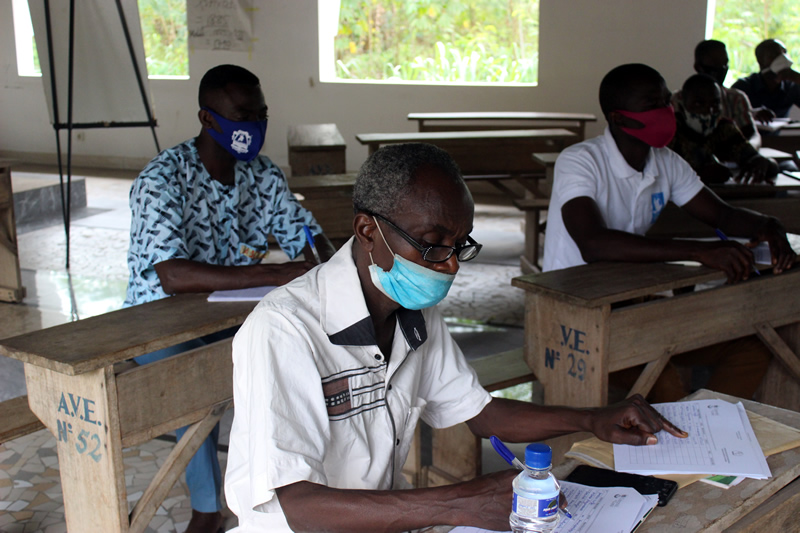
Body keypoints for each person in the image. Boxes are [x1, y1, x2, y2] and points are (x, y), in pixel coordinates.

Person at [224, 142, 687, 533]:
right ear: (369, 231)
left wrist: (592, 419)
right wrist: (456, 502)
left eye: (459, 243)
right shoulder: (285, 330)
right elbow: (292, 505)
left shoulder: (414, 310)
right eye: (432, 242)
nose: (449, 264)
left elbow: (479, 413)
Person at [124, 64, 334, 533]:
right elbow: (172, 275)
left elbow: (308, 240)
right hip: (155, 320)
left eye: (260, 114)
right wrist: (272, 272)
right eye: (242, 115)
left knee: (299, 355)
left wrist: (321, 259)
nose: (253, 127)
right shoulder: (162, 179)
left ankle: (298, 490)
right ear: (207, 118)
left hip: (229, 313)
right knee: (193, 382)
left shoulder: (261, 174)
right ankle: (207, 511)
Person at [543, 63, 795, 404]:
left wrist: (768, 225)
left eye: (666, 100)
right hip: (576, 310)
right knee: (663, 383)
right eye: (652, 104)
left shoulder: (666, 162)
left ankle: (702, 423)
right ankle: (684, 433)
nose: (667, 111)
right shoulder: (580, 161)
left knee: (752, 348)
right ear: (619, 118)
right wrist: (698, 252)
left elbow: (720, 214)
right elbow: (592, 243)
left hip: (635, 300)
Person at [670, 74, 778, 185]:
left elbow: (754, 158)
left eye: (715, 103)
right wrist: (698, 173)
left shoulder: (724, 129)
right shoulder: (671, 131)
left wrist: (763, 163)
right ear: (683, 103)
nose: (709, 111)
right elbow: (658, 171)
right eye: (699, 103)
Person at [672, 40, 760, 147]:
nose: (722, 69)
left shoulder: (736, 99)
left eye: (725, 64)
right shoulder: (677, 100)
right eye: (715, 64)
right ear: (699, 67)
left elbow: (752, 135)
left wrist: (748, 151)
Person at [732, 39, 800, 121]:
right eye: (776, 54)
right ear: (760, 60)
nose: (783, 58)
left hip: (780, 133)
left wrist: (798, 78)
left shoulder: (790, 86)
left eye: (784, 52)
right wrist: (753, 113)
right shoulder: (743, 87)